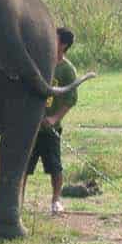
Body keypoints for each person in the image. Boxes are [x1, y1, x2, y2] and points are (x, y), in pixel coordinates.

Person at [28, 27, 79, 216]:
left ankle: (56, 200)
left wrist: (54, 118)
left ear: (63, 45)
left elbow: (70, 99)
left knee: (55, 167)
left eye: (54, 38)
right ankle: (18, 200)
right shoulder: (41, 64)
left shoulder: (67, 70)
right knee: (24, 166)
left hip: (50, 129)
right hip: (32, 126)